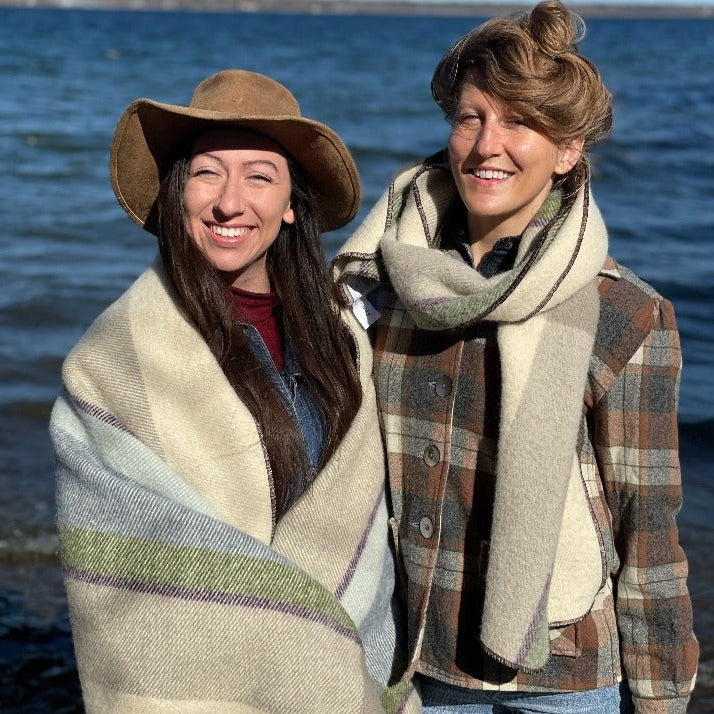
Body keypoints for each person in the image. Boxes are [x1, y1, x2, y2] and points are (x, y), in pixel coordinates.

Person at [333, 2, 698, 712]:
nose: (486, 145)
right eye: (471, 117)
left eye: (520, 122)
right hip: (413, 655)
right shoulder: (382, 279)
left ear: (568, 151)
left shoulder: (627, 313)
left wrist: (660, 698)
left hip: (565, 676)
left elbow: (645, 522)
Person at [50, 69, 420, 713]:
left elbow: (361, 522)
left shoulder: (341, 340)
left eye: (259, 175)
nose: (228, 202)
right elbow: (130, 580)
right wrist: (301, 649)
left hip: (348, 666)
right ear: (177, 193)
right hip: (205, 685)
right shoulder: (112, 363)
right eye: (205, 172)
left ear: (292, 205)